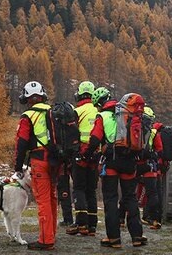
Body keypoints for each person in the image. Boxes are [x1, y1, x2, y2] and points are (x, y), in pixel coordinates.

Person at [84, 89, 148, 249]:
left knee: (111, 199)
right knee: (130, 198)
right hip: (130, 162)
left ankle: (113, 238)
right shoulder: (131, 114)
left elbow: (94, 139)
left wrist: (86, 154)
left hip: (111, 162)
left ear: (100, 105)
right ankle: (137, 236)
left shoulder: (103, 116)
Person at [13, 81, 56, 251]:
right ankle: (51, 234)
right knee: (53, 198)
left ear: (27, 98)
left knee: (43, 200)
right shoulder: (53, 112)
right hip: (56, 161)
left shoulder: (27, 116)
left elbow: (21, 143)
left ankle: (46, 240)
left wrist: (18, 166)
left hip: (39, 160)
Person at [66, 81, 99, 237]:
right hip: (95, 154)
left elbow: (71, 134)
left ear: (79, 94)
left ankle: (81, 223)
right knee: (91, 190)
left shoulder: (76, 111)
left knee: (79, 188)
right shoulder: (98, 111)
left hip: (80, 154)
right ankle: (92, 226)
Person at [139, 106, 164, 229]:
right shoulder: (154, 132)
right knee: (153, 193)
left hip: (135, 164)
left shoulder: (133, 128)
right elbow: (159, 150)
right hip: (149, 165)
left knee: (129, 192)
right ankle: (155, 219)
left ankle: (122, 218)